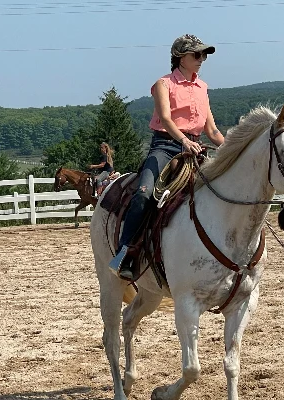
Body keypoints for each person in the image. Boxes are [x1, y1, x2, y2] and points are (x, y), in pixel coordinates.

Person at [109, 33, 224, 280]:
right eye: (197, 54)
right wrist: (183, 141)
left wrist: (232, 149)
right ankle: (125, 252)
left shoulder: (202, 88)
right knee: (143, 193)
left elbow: (212, 131)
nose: (202, 59)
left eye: (204, 54)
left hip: (195, 148)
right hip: (165, 147)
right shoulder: (163, 84)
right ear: (180, 57)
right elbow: (165, 117)